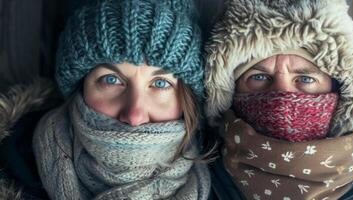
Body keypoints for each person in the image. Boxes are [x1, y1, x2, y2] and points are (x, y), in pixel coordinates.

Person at [0, 0, 211, 199]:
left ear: (187, 99)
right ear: (80, 86)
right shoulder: (12, 166)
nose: (135, 116)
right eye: (111, 79)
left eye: (160, 83)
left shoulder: (231, 180)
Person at [203, 0, 353, 199]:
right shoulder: (200, 181)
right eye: (259, 77)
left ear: (342, 92)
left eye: (305, 79)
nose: (282, 97)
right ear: (228, 92)